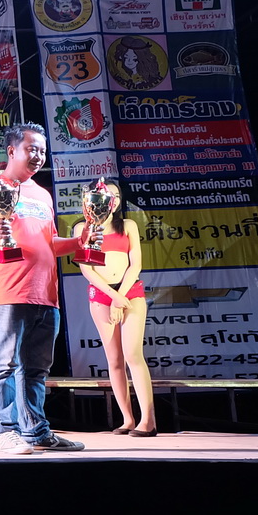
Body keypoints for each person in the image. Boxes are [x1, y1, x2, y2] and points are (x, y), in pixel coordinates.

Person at [0, 123, 88, 454]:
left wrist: (79, 241)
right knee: (3, 364)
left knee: (36, 370)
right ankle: (5, 430)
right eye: (32, 149)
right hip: (8, 292)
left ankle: (36, 431)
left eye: (42, 151)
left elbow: (49, 243)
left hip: (45, 294)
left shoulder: (42, 194)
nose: (38, 156)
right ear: (12, 151)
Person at [72, 179, 156, 436]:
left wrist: (120, 297)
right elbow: (87, 269)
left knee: (133, 354)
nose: (113, 200)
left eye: (117, 196)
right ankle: (127, 419)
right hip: (101, 294)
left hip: (130, 292)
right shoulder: (82, 228)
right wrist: (112, 297)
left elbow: (136, 264)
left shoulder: (128, 225)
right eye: (108, 195)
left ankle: (148, 421)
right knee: (115, 359)